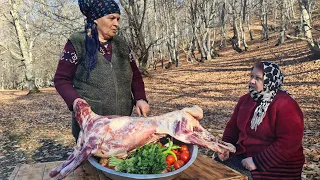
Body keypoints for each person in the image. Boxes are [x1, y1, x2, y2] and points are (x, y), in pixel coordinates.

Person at [54, 0, 150, 141]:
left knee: (117, 161)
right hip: (91, 127)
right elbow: (61, 79)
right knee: (93, 163)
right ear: (96, 19)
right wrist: (76, 102)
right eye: (111, 18)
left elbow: (135, 75)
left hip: (121, 124)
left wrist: (140, 98)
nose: (116, 23)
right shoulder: (78, 42)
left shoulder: (121, 44)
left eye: (118, 19)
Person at [215, 61, 305, 179]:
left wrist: (257, 162)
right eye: (251, 76)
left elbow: (289, 143)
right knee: (214, 166)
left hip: (277, 165)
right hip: (245, 155)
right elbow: (233, 127)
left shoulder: (286, 104)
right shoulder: (245, 100)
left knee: (227, 175)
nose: (252, 81)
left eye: (258, 78)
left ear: (270, 81)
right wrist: (226, 147)